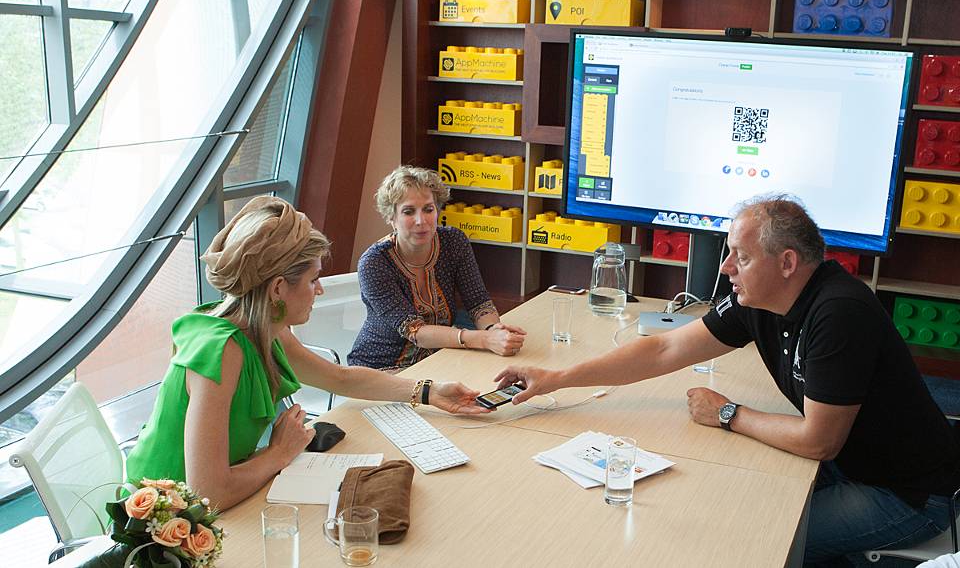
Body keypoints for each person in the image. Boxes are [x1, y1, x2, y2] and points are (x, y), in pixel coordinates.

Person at [495, 195, 960, 566]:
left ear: (787, 263)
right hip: (849, 466)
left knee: (756, 543)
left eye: (742, 256)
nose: (725, 267)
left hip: (906, 495)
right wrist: (556, 378)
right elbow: (664, 349)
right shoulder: (758, 298)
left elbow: (819, 441)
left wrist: (728, 413)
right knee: (724, 507)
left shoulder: (839, 312)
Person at [125, 196, 491, 510]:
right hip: (164, 521)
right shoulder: (221, 351)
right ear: (278, 289)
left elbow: (339, 378)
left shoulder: (263, 328)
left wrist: (429, 391)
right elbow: (209, 492)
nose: (320, 290)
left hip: (214, 508)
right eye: (313, 279)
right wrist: (279, 453)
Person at [348, 165, 526, 370]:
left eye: (428, 209)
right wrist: (485, 340)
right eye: (408, 211)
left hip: (437, 360)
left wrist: (494, 330)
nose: (421, 220)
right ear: (391, 217)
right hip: (379, 368)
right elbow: (415, 331)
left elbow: (478, 302)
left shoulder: (454, 242)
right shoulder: (374, 263)